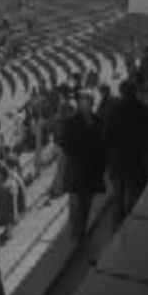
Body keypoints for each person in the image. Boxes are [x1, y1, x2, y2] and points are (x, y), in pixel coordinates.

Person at [104, 80, 148, 231]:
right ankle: (132, 230)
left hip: (118, 163)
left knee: (118, 200)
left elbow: (106, 137)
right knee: (134, 199)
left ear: (121, 92)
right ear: (135, 92)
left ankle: (116, 233)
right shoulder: (144, 111)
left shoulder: (113, 111)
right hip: (137, 162)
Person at [60, 92, 106, 242]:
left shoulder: (98, 121)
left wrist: (102, 165)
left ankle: (82, 228)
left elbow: (102, 145)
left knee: (87, 200)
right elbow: (65, 145)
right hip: (77, 168)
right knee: (76, 201)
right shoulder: (71, 122)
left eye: (88, 102)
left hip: (92, 169)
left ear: (92, 104)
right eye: (82, 102)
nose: (85, 105)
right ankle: (76, 230)